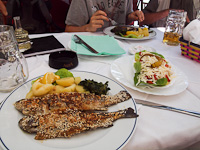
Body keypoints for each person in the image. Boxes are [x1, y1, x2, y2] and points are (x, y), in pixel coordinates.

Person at [65, 0, 144, 32]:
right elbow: (68, 30)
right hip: (92, 46)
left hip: (121, 46)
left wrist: (130, 17)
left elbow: (124, 21)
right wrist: (87, 28)